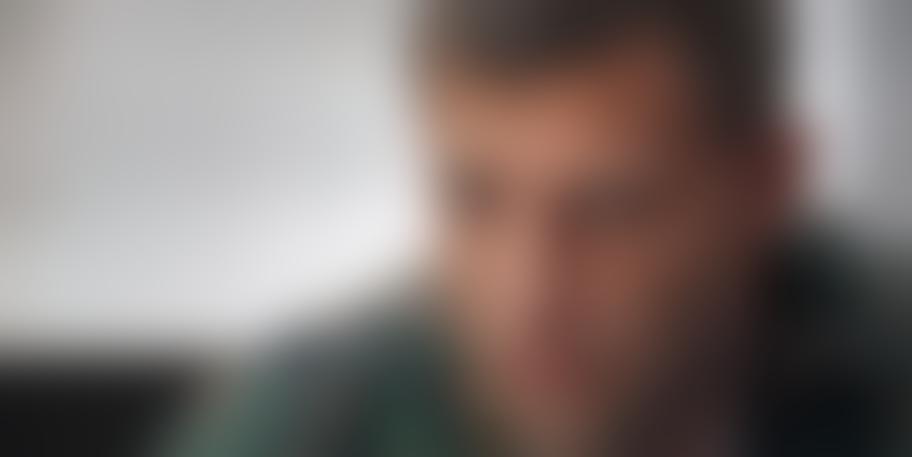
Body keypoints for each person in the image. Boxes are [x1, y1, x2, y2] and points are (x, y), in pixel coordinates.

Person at [167, 1, 904, 456]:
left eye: (609, 210)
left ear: (766, 187)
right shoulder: (309, 423)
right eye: (475, 201)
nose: (530, 292)